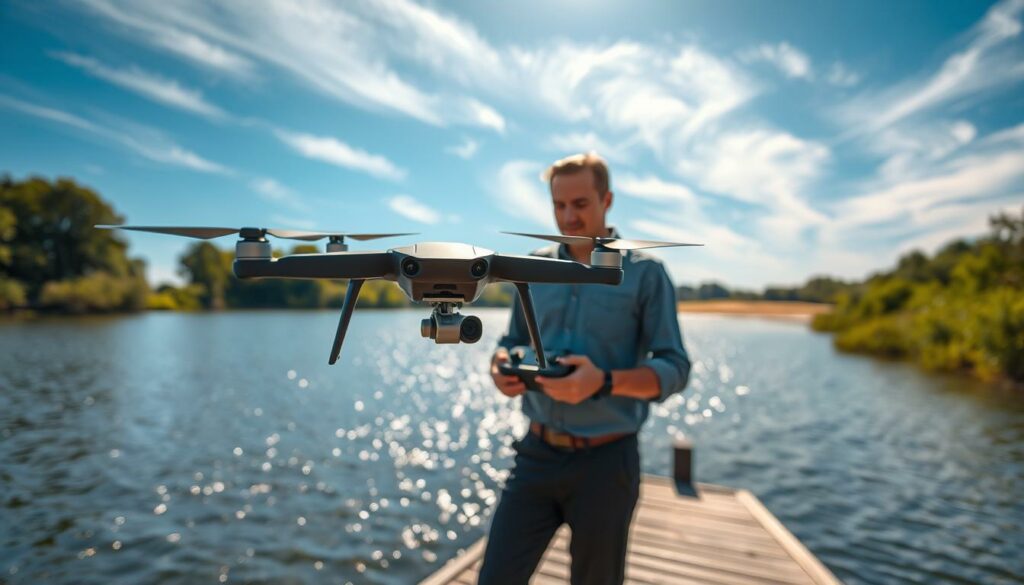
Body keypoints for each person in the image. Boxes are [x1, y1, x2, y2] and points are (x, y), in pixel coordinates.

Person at [478, 152, 691, 585]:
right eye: (559, 205)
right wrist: (501, 367)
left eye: (580, 204)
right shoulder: (531, 267)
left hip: (606, 465)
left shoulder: (646, 273)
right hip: (535, 455)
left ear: (606, 199)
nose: (568, 217)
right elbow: (510, 343)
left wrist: (603, 382)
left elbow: (675, 368)